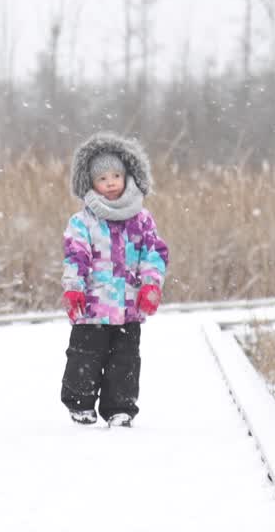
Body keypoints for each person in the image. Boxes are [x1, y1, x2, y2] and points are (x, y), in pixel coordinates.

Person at [60, 132, 168, 427]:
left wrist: (150, 284)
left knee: (126, 361)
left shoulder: (142, 219)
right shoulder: (83, 222)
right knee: (85, 357)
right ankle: (80, 403)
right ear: (90, 183)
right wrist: (73, 289)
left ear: (128, 176)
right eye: (102, 178)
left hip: (128, 307)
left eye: (116, 175)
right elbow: (75, 257)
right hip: (92, 308)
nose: (110, 183)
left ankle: (120, 407)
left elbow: (153, 253)